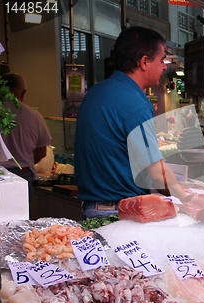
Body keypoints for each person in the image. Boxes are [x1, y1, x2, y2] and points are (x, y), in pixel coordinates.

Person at [74, 26, 185, 220]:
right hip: (117, 214)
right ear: (144, 62)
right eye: (161, 60)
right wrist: (187, 200)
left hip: (91, 207)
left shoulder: (95, 92)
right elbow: (156, 173)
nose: (165, 67)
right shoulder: (134, 102)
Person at [0, 73, 51, 205]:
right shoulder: (34, 116)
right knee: (19, 220)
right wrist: (21, 163)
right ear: (23, 92)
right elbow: (41, 152)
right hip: (22, 174)